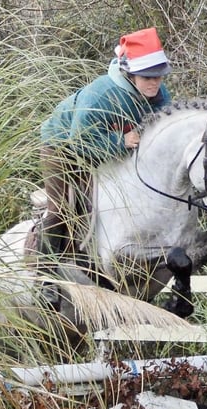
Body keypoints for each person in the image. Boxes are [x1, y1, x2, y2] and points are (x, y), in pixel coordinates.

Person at [39, 27, 173, 258]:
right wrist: (120, 142)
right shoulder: (101, 95)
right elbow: (80, 141)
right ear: (129, 74)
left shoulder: (160, 95)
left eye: (158, 77)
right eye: (147, 77)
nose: (154, 83)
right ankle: (45, 269)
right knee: (62, 209)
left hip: (106, 151)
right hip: (63, 148)